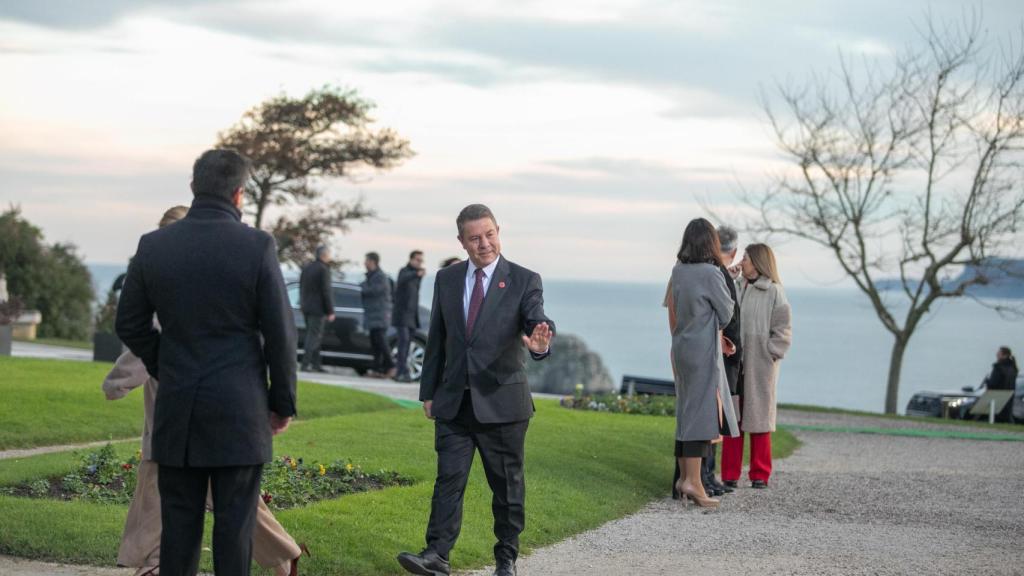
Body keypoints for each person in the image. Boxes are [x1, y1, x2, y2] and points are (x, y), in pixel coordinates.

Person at [116, 149, 297, 576]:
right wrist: (282, 403)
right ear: (239, 194)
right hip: (240, 409)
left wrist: (165, 365)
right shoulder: (257, 245)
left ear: (194, 187)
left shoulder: (154, 245)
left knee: (178, 531)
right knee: (234, 530)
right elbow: (281, 333)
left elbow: (129, 322)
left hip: (179, 407)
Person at [397, 204, 555, 576]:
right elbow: (438, 338)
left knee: (507, 488)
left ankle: (506, 559)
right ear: (461, 241)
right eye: (474, 238)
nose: (484, 243)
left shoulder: (524, 279)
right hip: (454, 402)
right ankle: (436, 555)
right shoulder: (447, 279)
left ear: (498, 231)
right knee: (448, 481)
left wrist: (540, 342)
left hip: (503, 404)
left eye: (489, 234)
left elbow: (536, 318)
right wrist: (429, 391)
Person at [665, 218, 738, 509]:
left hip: (681, 346)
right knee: (701, 414)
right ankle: (693, 482)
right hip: (703, 349)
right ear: (710, 243)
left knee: (686, 411)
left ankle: (684, 477)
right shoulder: (711, 273)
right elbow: (727, 312)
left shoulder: (678, 271)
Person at [721, 243, 792, 489]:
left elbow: (783, 329)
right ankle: (729, 474)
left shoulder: (774, 291)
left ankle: (760, 474)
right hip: (734, 361)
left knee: (760, 418)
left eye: (747, 258)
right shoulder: (737, 287)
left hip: (760, 363)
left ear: (758, 262)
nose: (743, 262)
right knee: (733, 418)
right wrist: (729, 280)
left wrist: (771, 353)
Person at [299, 245, 336, 372]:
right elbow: (326, 291)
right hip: (318, 309)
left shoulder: (307, 268)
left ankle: (316, 364)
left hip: (306, 307)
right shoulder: (323, 269)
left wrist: (302, 304)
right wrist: (330, 311)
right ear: (324, 255)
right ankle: (305, 364)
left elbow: (302, 287)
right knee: (313, 337)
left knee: (314, 336)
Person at [361, 251, 396, 378]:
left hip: (380, 315)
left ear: (372, 262)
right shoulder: (371, 276)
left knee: (381, 341)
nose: (364, 263)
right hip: (372, 315)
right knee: (375, 343)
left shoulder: (380, 277)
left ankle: (391, 366)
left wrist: (363, 286)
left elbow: (372, 291)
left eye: (366, 260)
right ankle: (377, 369)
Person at [393, 250, 426, 382]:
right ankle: (400, 372)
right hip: (402, 315)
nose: (419, 263)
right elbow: (402, 280)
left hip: (412, 316)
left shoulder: (416, 276)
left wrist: (418, 275)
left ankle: (403, 372)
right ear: (411, 259)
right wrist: (416, 274)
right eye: (417, 260)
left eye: (421, 261)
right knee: (403, 343)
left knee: (408, 345)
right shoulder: (404, 271)